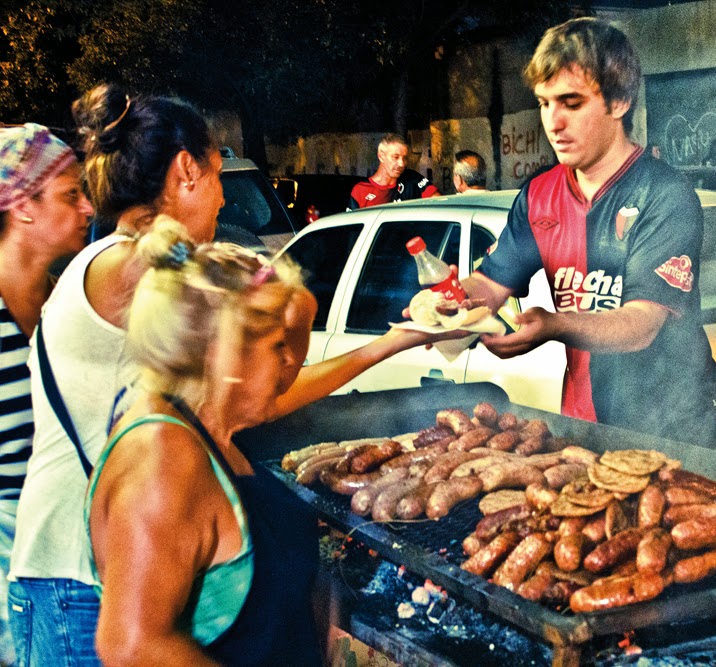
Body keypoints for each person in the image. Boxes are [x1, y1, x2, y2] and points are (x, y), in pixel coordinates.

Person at [7, 85, 443, 666]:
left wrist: (394, 341)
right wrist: (281, 288)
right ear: (187, 170)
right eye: (216, 177)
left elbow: (257, 393)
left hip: (126, 561)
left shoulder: (156, 275)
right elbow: (256, 307)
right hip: (76, 579)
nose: (221, 202)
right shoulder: (120, 266)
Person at [460, 17, 716, 450]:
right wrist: (447, 303)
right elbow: (489, 284)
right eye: (544, 102)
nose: (553, 122)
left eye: (571, 103)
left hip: (680, 433)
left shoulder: (665, 193)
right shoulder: (538, 195)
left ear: (620, 101)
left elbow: (641, 324)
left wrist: (552, 325)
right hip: (585, 430)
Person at [86, 218, 320, 664]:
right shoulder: (163, 457)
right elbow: (131, 644)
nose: (289, 360)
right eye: (275, 345)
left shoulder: (207, 433)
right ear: (226, 354)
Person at [0, 124, 93, 664]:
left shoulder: (65, 308)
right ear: (22, 208)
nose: (86, 209)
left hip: (61, 579)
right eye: (69, 195)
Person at [346, 133, 439, 209]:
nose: (401, 164)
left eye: (405, 158)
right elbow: (353, 229)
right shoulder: (361, 190)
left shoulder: (413, 179)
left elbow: (440, 203)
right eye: (396, 157)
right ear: (381, 156)